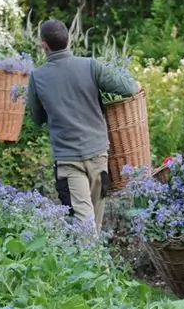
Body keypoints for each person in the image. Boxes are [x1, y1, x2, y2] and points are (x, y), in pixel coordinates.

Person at [27, 18, 141, 232]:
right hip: (98, 156)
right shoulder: (91, 65)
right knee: (93, 224)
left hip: (68, 160)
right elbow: (127, 88)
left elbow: (37, 118)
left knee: (84, 223)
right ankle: (96, 264)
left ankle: (92, 264)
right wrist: (137, 85)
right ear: (69, 39)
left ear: (44, 45)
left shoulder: (37, 76)